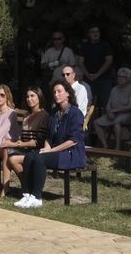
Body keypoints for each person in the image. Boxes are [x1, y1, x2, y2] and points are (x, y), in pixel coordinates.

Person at [16, 80, 87, 209]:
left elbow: (73, 140)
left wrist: (52, 150)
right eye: (54, 92)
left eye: (59, 91)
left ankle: (37, 197)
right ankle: (27, 194)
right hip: (56, 151)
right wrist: (47, 148)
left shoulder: (75, 113)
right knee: (30, 156)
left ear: (68, 94)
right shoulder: (54, 113)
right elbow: (48, 136)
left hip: (72, 153)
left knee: (40, 159)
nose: (56, 94)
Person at [5, 86, 49, 191]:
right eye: (27, 96)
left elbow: (38, 142)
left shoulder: (44, 116)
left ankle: (26, 187)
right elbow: (23, 137)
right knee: (5, 151)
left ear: (39, 97)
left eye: (32, 96)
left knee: (13, 159)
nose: (29, 99)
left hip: (37, 151)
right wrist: (15, 142)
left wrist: (17, 145)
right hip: (26, 149)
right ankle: (6, 187)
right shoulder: (26, 115)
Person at [92, 68, 131, 148]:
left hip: (127, 114)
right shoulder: (114, 89)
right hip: (113, 113)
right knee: (96, 122)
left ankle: (117, 147)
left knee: (117, 121)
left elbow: (130, 106)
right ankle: (105, 145)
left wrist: (114, 110)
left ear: (128, 79)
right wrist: (108, 111)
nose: (120, 78)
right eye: (119, 76)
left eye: (123, 77)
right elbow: (109, 104)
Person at [77, 26, 115, 108]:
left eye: (97, 31)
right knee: (88, 102)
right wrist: (87, 75)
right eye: (93, 32)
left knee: (105, 103)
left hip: (104, 78)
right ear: (89, 34)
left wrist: (97, 74)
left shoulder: (105, 45)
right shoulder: (84, 46)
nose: (95, 33)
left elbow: (109, 60)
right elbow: (80, 62)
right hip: (88, 79)